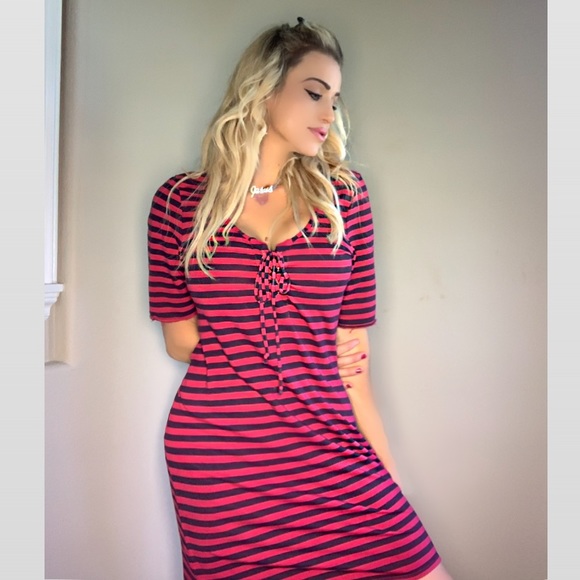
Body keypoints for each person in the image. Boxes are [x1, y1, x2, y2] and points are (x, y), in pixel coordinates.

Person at [147, 17, 452, 580]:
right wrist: (284, 341)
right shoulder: (178, 202)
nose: (329, 114)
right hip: (219, 461)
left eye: (335, 99)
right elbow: (179, 341)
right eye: (314, 93)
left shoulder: (346, 198)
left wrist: (386, 477)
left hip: (328, 445)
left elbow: (354, 360)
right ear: (263, 91)